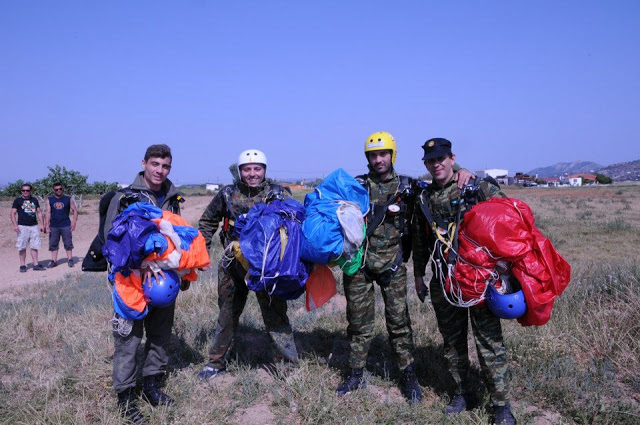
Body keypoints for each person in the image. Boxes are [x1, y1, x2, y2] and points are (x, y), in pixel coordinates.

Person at [412, 138, 516, 425]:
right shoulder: (424, 197)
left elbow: (508, 217)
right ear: (426, 164)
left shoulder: (475, 187)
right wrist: (419, 275)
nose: (437, 164)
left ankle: (501, 405)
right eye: (431, 161)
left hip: (478, 280)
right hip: (444, 280)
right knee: (452, 342)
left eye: (441, 159)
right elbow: (421, 241)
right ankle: (463, 392)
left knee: (489, 342)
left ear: (452, 158)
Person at [334, 131, 422, 402]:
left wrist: (461, 169)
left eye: (383, 154)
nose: (378, 159)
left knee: (399, 324)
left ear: (392, 155)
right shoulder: (357, 186)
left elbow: (444, 186)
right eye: (373, 155)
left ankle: (408, 376)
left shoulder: (409, 187)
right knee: (359, 324)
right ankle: (356, 374)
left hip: (392, 266)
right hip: (359, 267)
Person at [197, 149, 299, 380]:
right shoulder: (227, 194)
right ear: (240, 171)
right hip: (233, 261)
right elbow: (207, 221)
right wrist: (202, 250)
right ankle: (216, 362)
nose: (252, 174)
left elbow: (293, 224)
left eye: (257, 169)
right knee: (227, 313)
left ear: (264, 170)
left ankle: (287, 366)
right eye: (247, 169)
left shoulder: (278, 193)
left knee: (275, 313)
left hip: (267, 264)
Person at [104, 144, 185, 424]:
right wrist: (140, 263)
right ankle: (125, 398)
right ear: (144, 163)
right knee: (129, 339)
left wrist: (181, 271)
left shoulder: (173, 197)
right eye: (155, 164)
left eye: (165, 166)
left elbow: (177, 237)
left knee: (160, 336)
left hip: (164, 280)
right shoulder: (125, 197)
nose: (160, 171)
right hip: (131, 278)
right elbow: (110, 240)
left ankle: (151, 385)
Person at [11, 183, 45, 272]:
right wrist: (15, 225)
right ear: (21, 191)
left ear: (30, 191)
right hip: (22, 226)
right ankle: (22, 265)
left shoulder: (34, 200)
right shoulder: (17, 201)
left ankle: (35, 264)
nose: (25, 192)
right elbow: (13, 213)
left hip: (33, 226)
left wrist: (42, 224)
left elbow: (39, 212)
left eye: (27, 190)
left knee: (34, 246)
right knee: (22, 246)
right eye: (23, 190)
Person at [45, 183, 78, 268]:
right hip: (54, 225)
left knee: (68, 243)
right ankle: (53, 261)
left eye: (60, 189)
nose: (58, 190)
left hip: (66, 225)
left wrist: (74, 223)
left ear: (62, 189)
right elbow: (48, 213)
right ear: (54, 190)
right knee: (53, 243)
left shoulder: (68, 199)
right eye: (56, 189)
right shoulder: (50, 200)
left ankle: (70, 259)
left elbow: (75, 210)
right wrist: (47, 225)